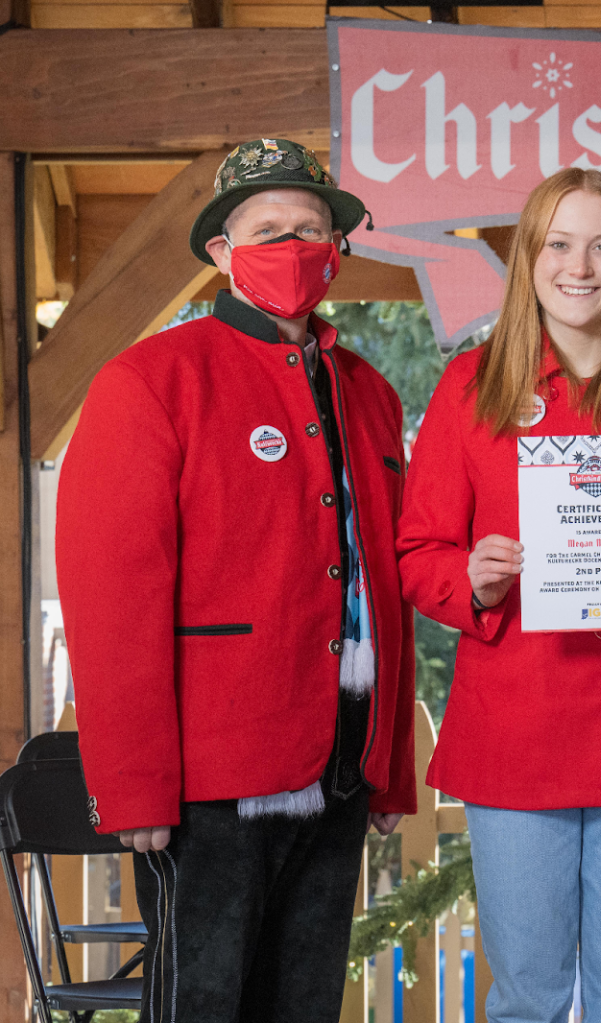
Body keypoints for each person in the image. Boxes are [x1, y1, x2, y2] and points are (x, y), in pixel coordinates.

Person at [55, 137, 417, 1022]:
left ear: (337, 247)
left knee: (305, 1005)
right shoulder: (149, 380)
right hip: (207, 777)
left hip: (342, 762)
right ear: (222, 250)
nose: (292, 247)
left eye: (310, 229)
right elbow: (112, 598)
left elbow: (386, 590)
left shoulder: (371, 394)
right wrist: (133, 782)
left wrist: (392, 767)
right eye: (267, 231)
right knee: (202, 1006)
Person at [396, 168, 601, 1023]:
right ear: (528, 258)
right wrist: (470, 577)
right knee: (528, 998)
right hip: (517, 727)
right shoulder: (470, 387)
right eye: (559, 244)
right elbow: (419, 554)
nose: (579, 267)